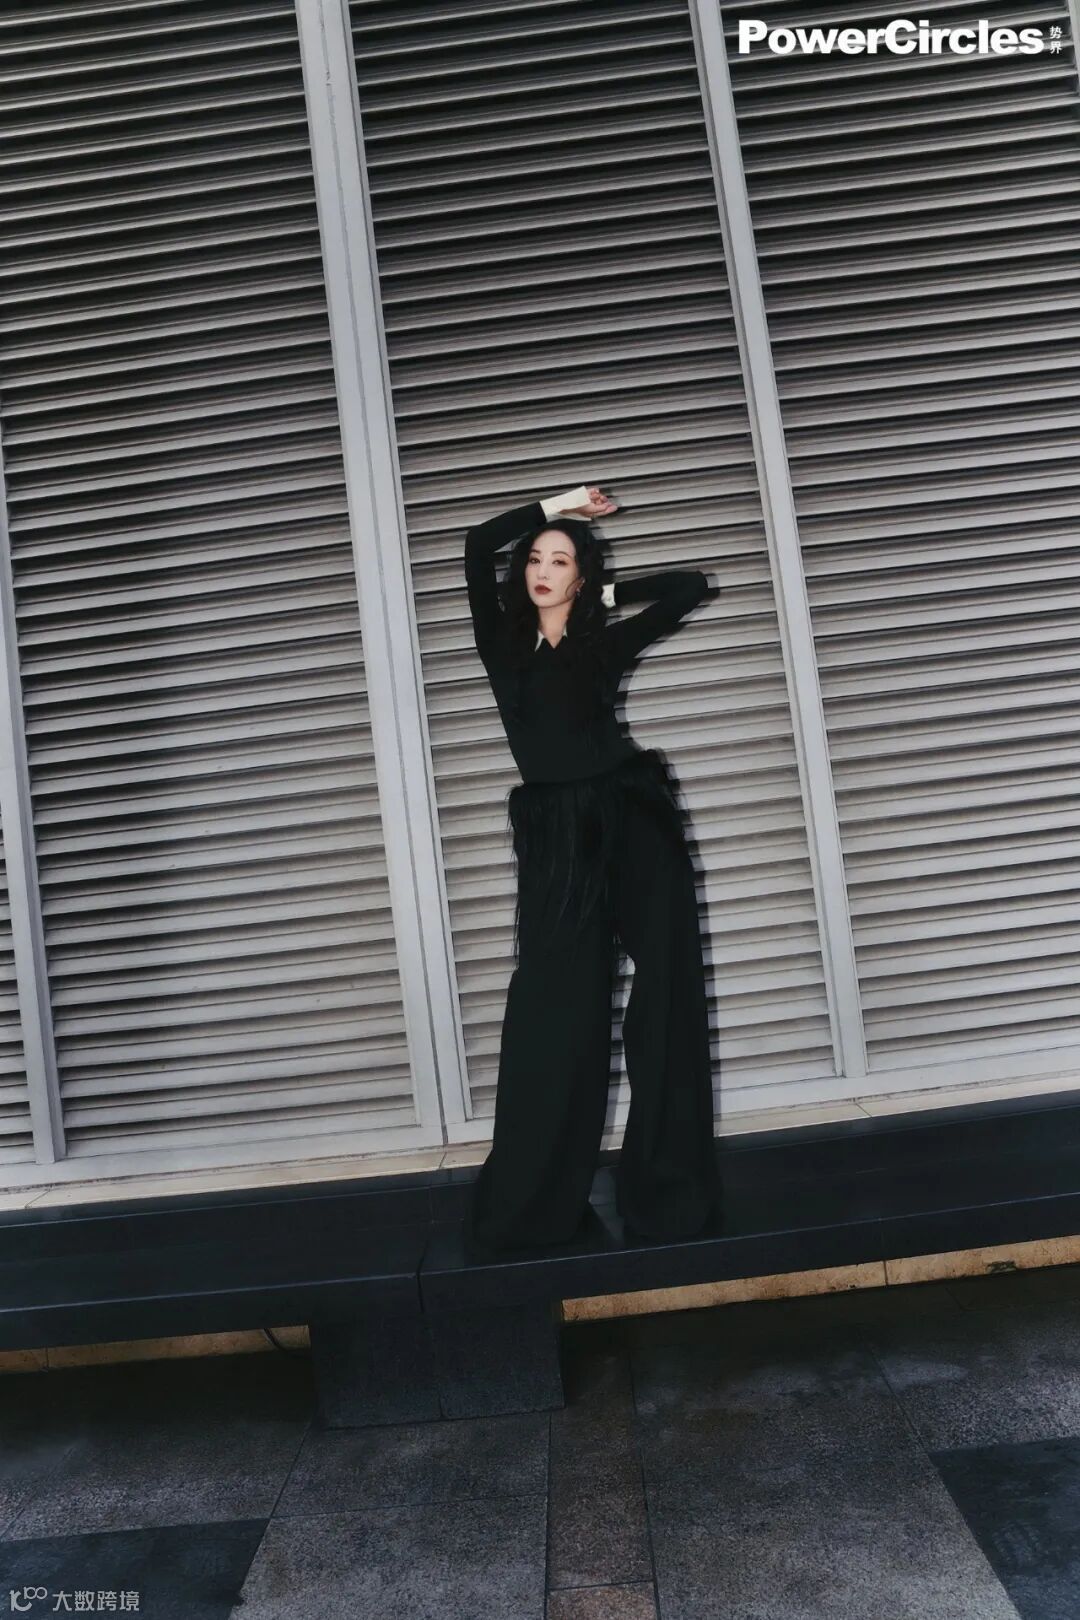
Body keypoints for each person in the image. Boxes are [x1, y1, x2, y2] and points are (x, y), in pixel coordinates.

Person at [463, 482, 721, 1255]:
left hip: (634, 818)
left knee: (667, 995)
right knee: (554, 1014)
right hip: (558, 838)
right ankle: (534, 1203)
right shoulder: (501, 642)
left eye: (559, 562)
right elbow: (477, 545)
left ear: (579, 578)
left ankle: (666, 1196)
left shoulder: (600, 645)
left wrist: (604, 594)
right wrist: (561, 506)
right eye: (535, 560)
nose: (542, 571)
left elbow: (688, 588)